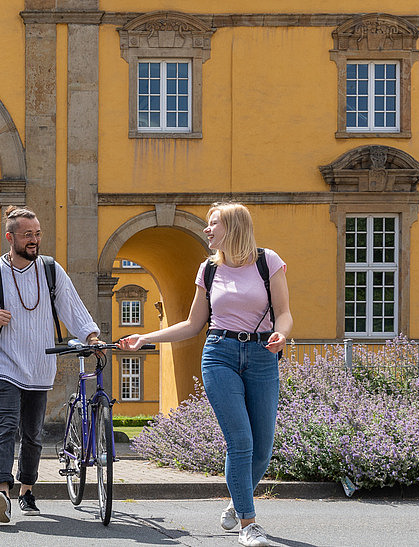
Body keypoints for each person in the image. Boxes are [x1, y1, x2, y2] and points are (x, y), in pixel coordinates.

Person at [119, 202, 292, 547]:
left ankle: (236, 500)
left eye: (214, 224)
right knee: (240, 442)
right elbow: (193, 324)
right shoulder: (209, 269)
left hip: (262, 355)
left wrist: (281, 335)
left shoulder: (267, 261)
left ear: (235, 227)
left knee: (262, 450)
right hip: (220, 355)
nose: (207, 230)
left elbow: (285, 313)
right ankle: (249, 524)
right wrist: (145, 338)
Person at [0, 207, 102, 524]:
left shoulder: (50, 270)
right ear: (10, 237)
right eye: (27, 235)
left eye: (37, 234)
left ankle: (27, 490)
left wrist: (91, 335)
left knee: (33, 435)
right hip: (3, 366)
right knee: (5, 428)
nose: (34, 240)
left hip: (40, 367)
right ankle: (2, 492)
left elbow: (72, 307)